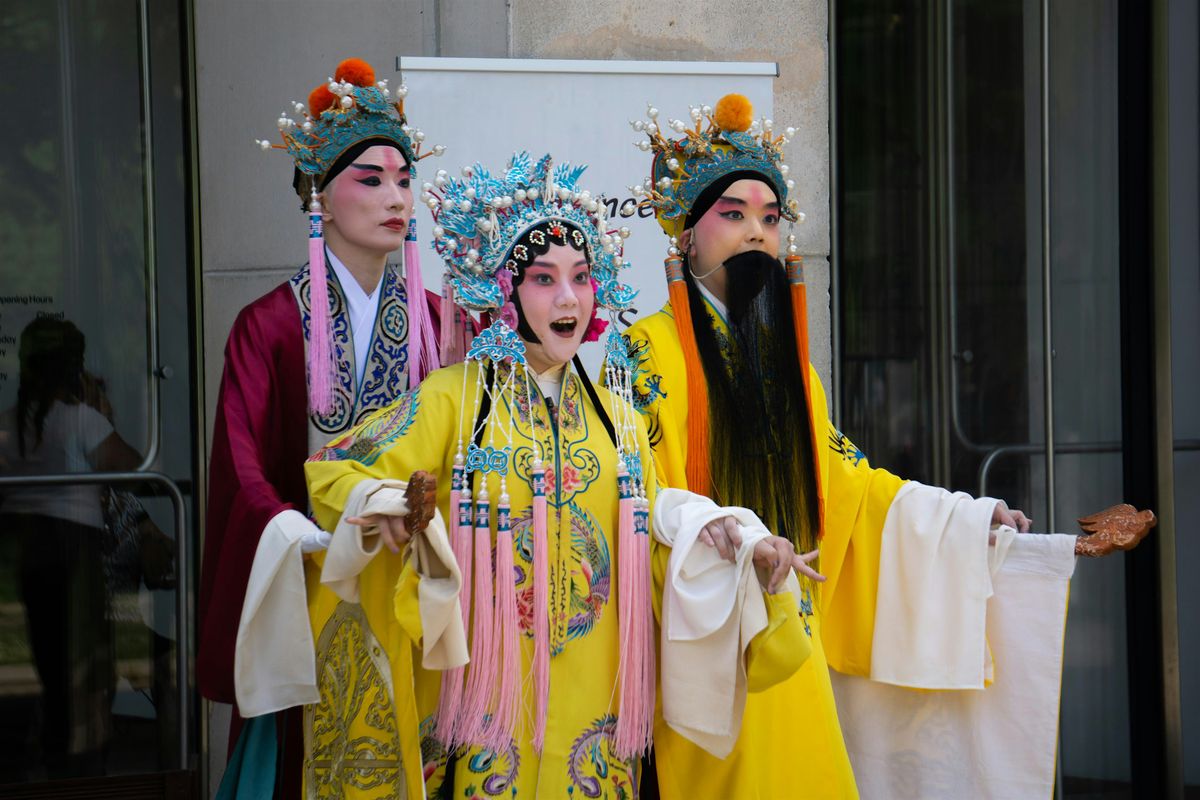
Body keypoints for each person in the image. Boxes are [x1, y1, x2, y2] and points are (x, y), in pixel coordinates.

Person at [621, 94, 1151, 799]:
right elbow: (638, 496)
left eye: (771, 219)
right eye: (734, 214)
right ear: (685, 234)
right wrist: (730, 536)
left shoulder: (789, 365)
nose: (757, 233)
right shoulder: (645, 351)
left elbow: (850, 484)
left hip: (790, 629)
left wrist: (966, 519)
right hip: (711, 640)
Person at [304, 152, 813, 798]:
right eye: (544, 279)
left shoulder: (618, 420)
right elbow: (335, 467)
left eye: (581, 277)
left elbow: (662, 524)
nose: (568, 297)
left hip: (593, 720)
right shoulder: (453, 400)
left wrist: (739, 544)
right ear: (505, 293)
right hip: (485, 716)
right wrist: (385, 505)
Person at [195, 57, 465, 798]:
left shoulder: (443, 326)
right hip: (310, 579)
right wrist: (301, 535)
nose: (395, 196)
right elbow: (243, 468)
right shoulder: (271, 327)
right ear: (318, 193)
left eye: (405, 179)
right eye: (371, 179)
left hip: (413, 591)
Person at [0, 317, 141, 779]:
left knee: (39, 659)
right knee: (78, 664)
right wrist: (100, 406)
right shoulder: (82, 420)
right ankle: (75, 764)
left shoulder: (8, 424)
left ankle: (33, 756)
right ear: (73, 369)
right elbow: (135, 467)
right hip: (72, 550)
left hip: (21, 550)